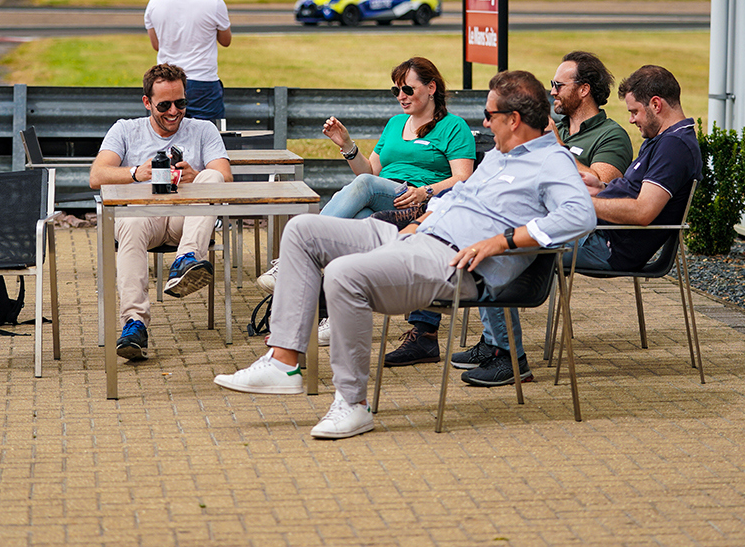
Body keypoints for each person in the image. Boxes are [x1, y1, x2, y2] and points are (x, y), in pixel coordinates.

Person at [214, 70, 595, 440]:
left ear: (513, 119)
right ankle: (283, 362)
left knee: (345, 273)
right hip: (421, 236)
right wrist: (424, 219)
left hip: (452, 261)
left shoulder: (551, 162)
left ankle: (353, 403)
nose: (484, 122)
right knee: (303, 229)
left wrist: (503, 242)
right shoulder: (499, 154)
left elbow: (581, 215)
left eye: (490, 115)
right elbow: (461, 195)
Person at [463, 65, 702, 384]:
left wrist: (579, 205)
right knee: (501, 227)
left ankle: (507, 357)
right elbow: (632, 193)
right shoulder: (662, 139)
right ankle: (495, 343)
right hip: (595, 232)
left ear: (656, 104)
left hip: (607, 245)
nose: (631, 119)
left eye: (635, 112)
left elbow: (644, 212)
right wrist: (598, 187)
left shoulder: (674, 146)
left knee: (496, 246)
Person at [255, 57, 475, 363]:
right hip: (386, 198)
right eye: (396, 89)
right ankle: (335, 316)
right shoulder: (396, 123)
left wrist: (424, 191)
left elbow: (463, 178)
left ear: (431, 88)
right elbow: (368, 171)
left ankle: (294, 257)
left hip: (422, 203)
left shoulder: (454, 127)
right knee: (356, 220)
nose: (401, 96)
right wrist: (347, 145)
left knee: (364, 193)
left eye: (408, 89)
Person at [89, 63, 233, 360]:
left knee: (212, 177)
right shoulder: (126, 129)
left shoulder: (203, 129)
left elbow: (225, 177)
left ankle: (187, 259)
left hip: (187, 220)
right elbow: (97, 175)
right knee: (129, 222)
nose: (173, 111)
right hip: (145, 218)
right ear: (147, 103)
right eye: (164, 105)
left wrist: (194, 175)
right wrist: (137, 172)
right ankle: (134, 324)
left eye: (180, 103)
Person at [145, 0, 231, 122]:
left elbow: (156, 45)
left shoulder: (154, 3)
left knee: (165, 138)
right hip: (203, 83)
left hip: (166, 82)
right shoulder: (214, 3)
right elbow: (226, 40)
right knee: (207, 140)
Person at [550, 50, 632, 184]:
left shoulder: (612, 136)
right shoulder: (557, 129)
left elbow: (600, 187)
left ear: (584, 90)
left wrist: (557, 146)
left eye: (558, 86)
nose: (553, 92)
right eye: (553, 85)